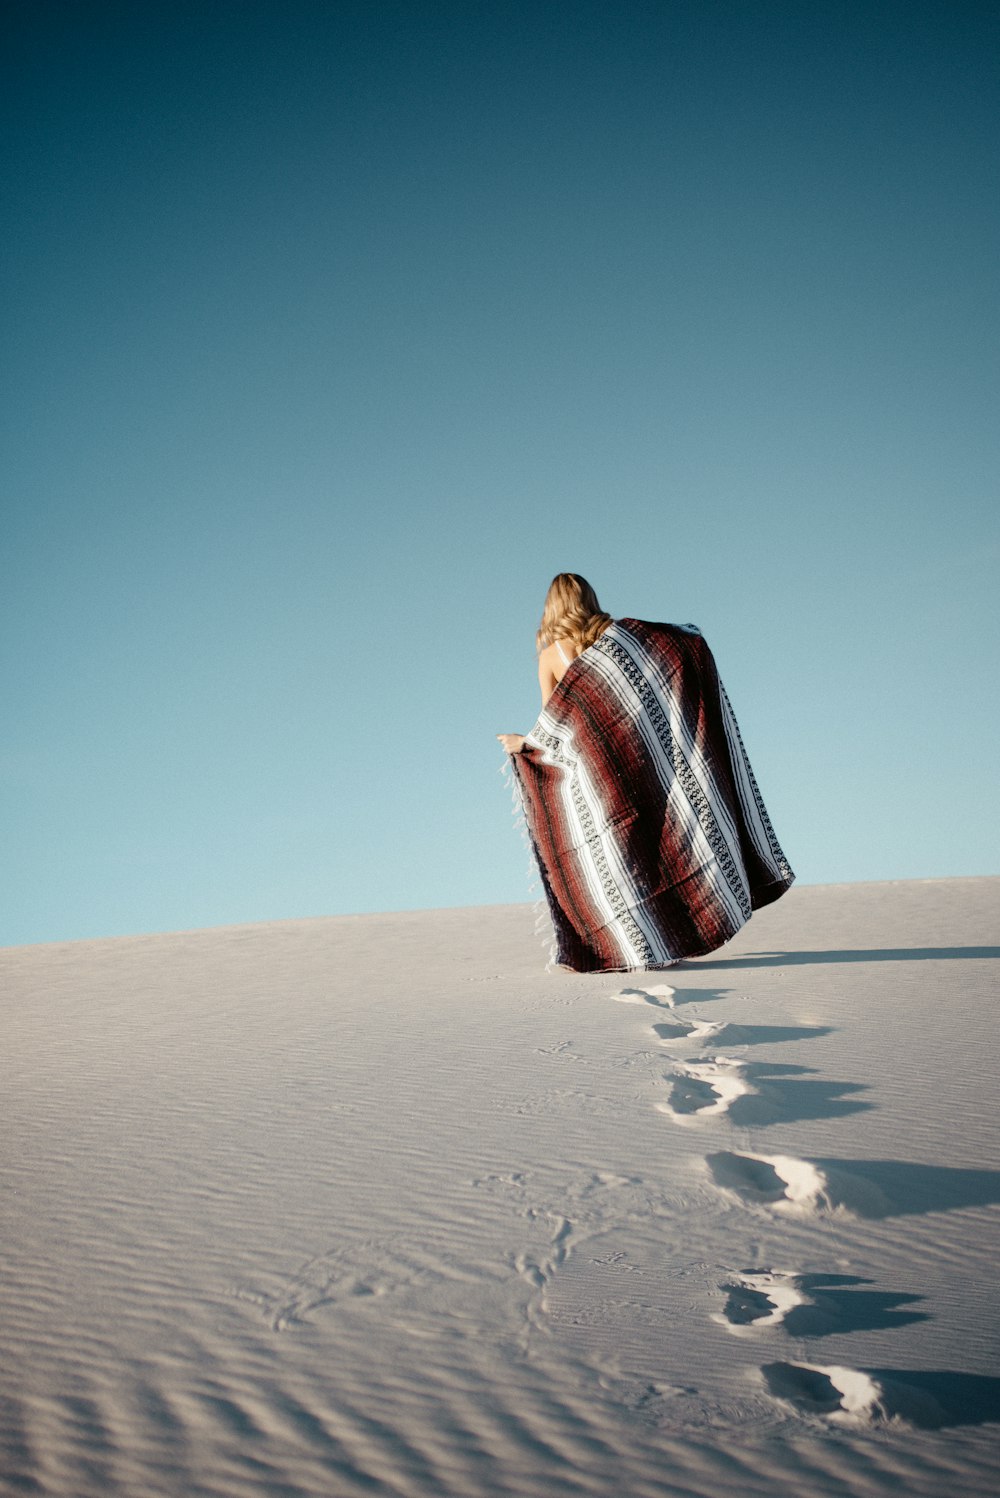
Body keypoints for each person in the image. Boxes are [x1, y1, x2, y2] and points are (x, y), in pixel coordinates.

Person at [498, 573, 794, 974]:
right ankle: (677, 935)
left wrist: (522, 744)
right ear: (589, 598)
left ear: (551, 607)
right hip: (646, 764)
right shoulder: (623, 636)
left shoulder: (553, 655)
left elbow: (553, 727)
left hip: (601, 774)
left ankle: (638, 948)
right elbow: (678, 643)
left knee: (620, 856)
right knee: (665, 847)